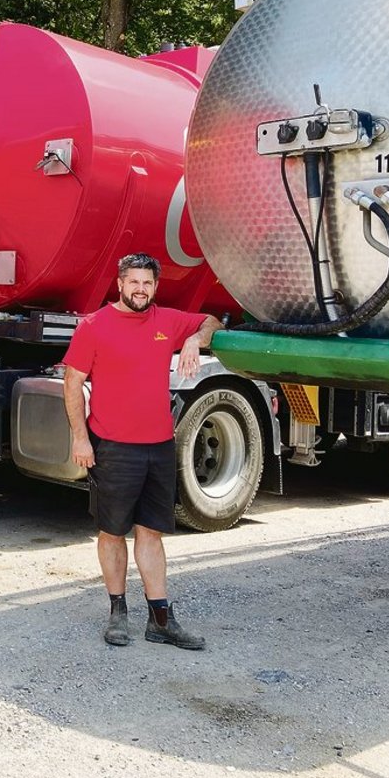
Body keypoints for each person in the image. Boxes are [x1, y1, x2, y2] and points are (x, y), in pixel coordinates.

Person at [62, 252, 220, 649]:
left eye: (147, 283)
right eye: (133, 282)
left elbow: (212, 321)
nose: (140, 289)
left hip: (159, 447)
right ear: (119, 284)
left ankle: (161, 620)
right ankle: (118, 613)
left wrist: (192, 340)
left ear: (155, 287)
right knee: (112, 532)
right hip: (113, 448)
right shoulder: (94, 326)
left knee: (152, 533)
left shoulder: (166, 319)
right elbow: (72, 383)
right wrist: (80, 438)